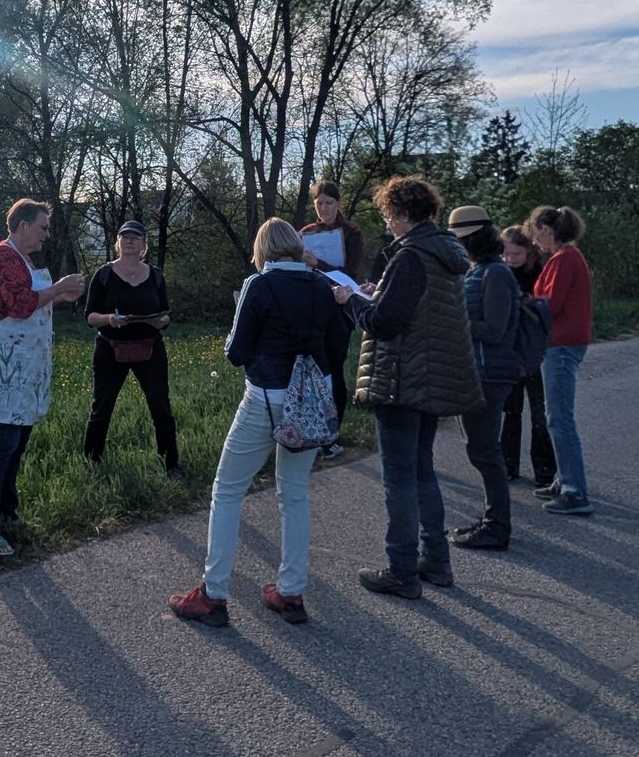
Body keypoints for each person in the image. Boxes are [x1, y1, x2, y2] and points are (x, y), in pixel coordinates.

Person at [169, 219, 349, 627]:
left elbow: (236, 351)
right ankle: (290, 591)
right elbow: (338, 344)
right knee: (294, 494)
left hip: (267, 397)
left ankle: (213, 594)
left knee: (228, 490)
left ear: (263, 250)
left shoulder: (258, 285)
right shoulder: (320, 285)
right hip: (310, 400)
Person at [330, 176, 485, 599]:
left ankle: (401, 569)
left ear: (402, 214)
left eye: (388, 214)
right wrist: (377, 293)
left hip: (401, 380)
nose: (387, 222)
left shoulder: (410, 256)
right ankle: (436, 560)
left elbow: (385, 323)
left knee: (399, 480)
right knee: (422, 472)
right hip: (430, 378)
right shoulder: (443, 254)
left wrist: (351, 301)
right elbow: (414, 308)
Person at [0, 198, 86, 556]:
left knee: (17, 440)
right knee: (3, 441)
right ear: (23, 226)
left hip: (25, 363)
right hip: (5, 362)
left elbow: (30, 300)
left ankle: (7, 511)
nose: (46, 235)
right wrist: (60, 287)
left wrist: (59, 296)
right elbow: (20, 305)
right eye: (42, 227)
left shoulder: (23, 259)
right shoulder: (1, 256)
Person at [443, 205, 521, 550]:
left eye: (459, 240)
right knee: (480, 450)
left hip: (490, 373)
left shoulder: (497, 274)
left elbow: (494, 329)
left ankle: (497, 526)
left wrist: (454, 320)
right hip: (475, 371)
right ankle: (492, 520)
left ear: (472, 239)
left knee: (485, 451)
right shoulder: (478, 271)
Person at [82, 221, 180, 478]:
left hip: (150, 348)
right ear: (118, 243)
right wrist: (109, 319)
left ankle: (170, 465)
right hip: (110, 348)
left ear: (143, 244)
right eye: (124, 237)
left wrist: (162, 321)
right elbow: (90, 316)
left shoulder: (156, 276)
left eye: (135, 237)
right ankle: (92, 465)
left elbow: (167, 313)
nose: (129, 241)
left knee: (161, 407)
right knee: (101, 408)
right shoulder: (104, 275)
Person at [525, 205, 595, 516]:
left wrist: (523, 303)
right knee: (556, 416)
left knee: (559, 418)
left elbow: (550, 305)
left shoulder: (564, 259)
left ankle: (574, 490)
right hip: (563, 343)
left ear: (547, 231)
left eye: (536, 234)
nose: (534, 241)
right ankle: (563, 479)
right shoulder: (566, 257)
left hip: (562, 344)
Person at [298, 180, 365, 460]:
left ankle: (333, 433)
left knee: (334, 368)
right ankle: (313, 428)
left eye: (329, 203)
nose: (324, 208)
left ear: (338, 203)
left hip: (340, 310)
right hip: (312, 308)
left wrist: (319, 264)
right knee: (314, 369)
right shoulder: (306, 233)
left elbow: (351, 274)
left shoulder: (351, 232)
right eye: (319, 203)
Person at [500, 227, 556, 487]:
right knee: (511, 411)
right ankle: (507, 465)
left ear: (529, 252)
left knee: (539, 413)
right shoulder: (501, 273)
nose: (511, 259)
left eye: (516, 254)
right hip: (510, 351)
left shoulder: (540, 273)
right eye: (507, 254)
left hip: (534, 351)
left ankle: (544, 471)